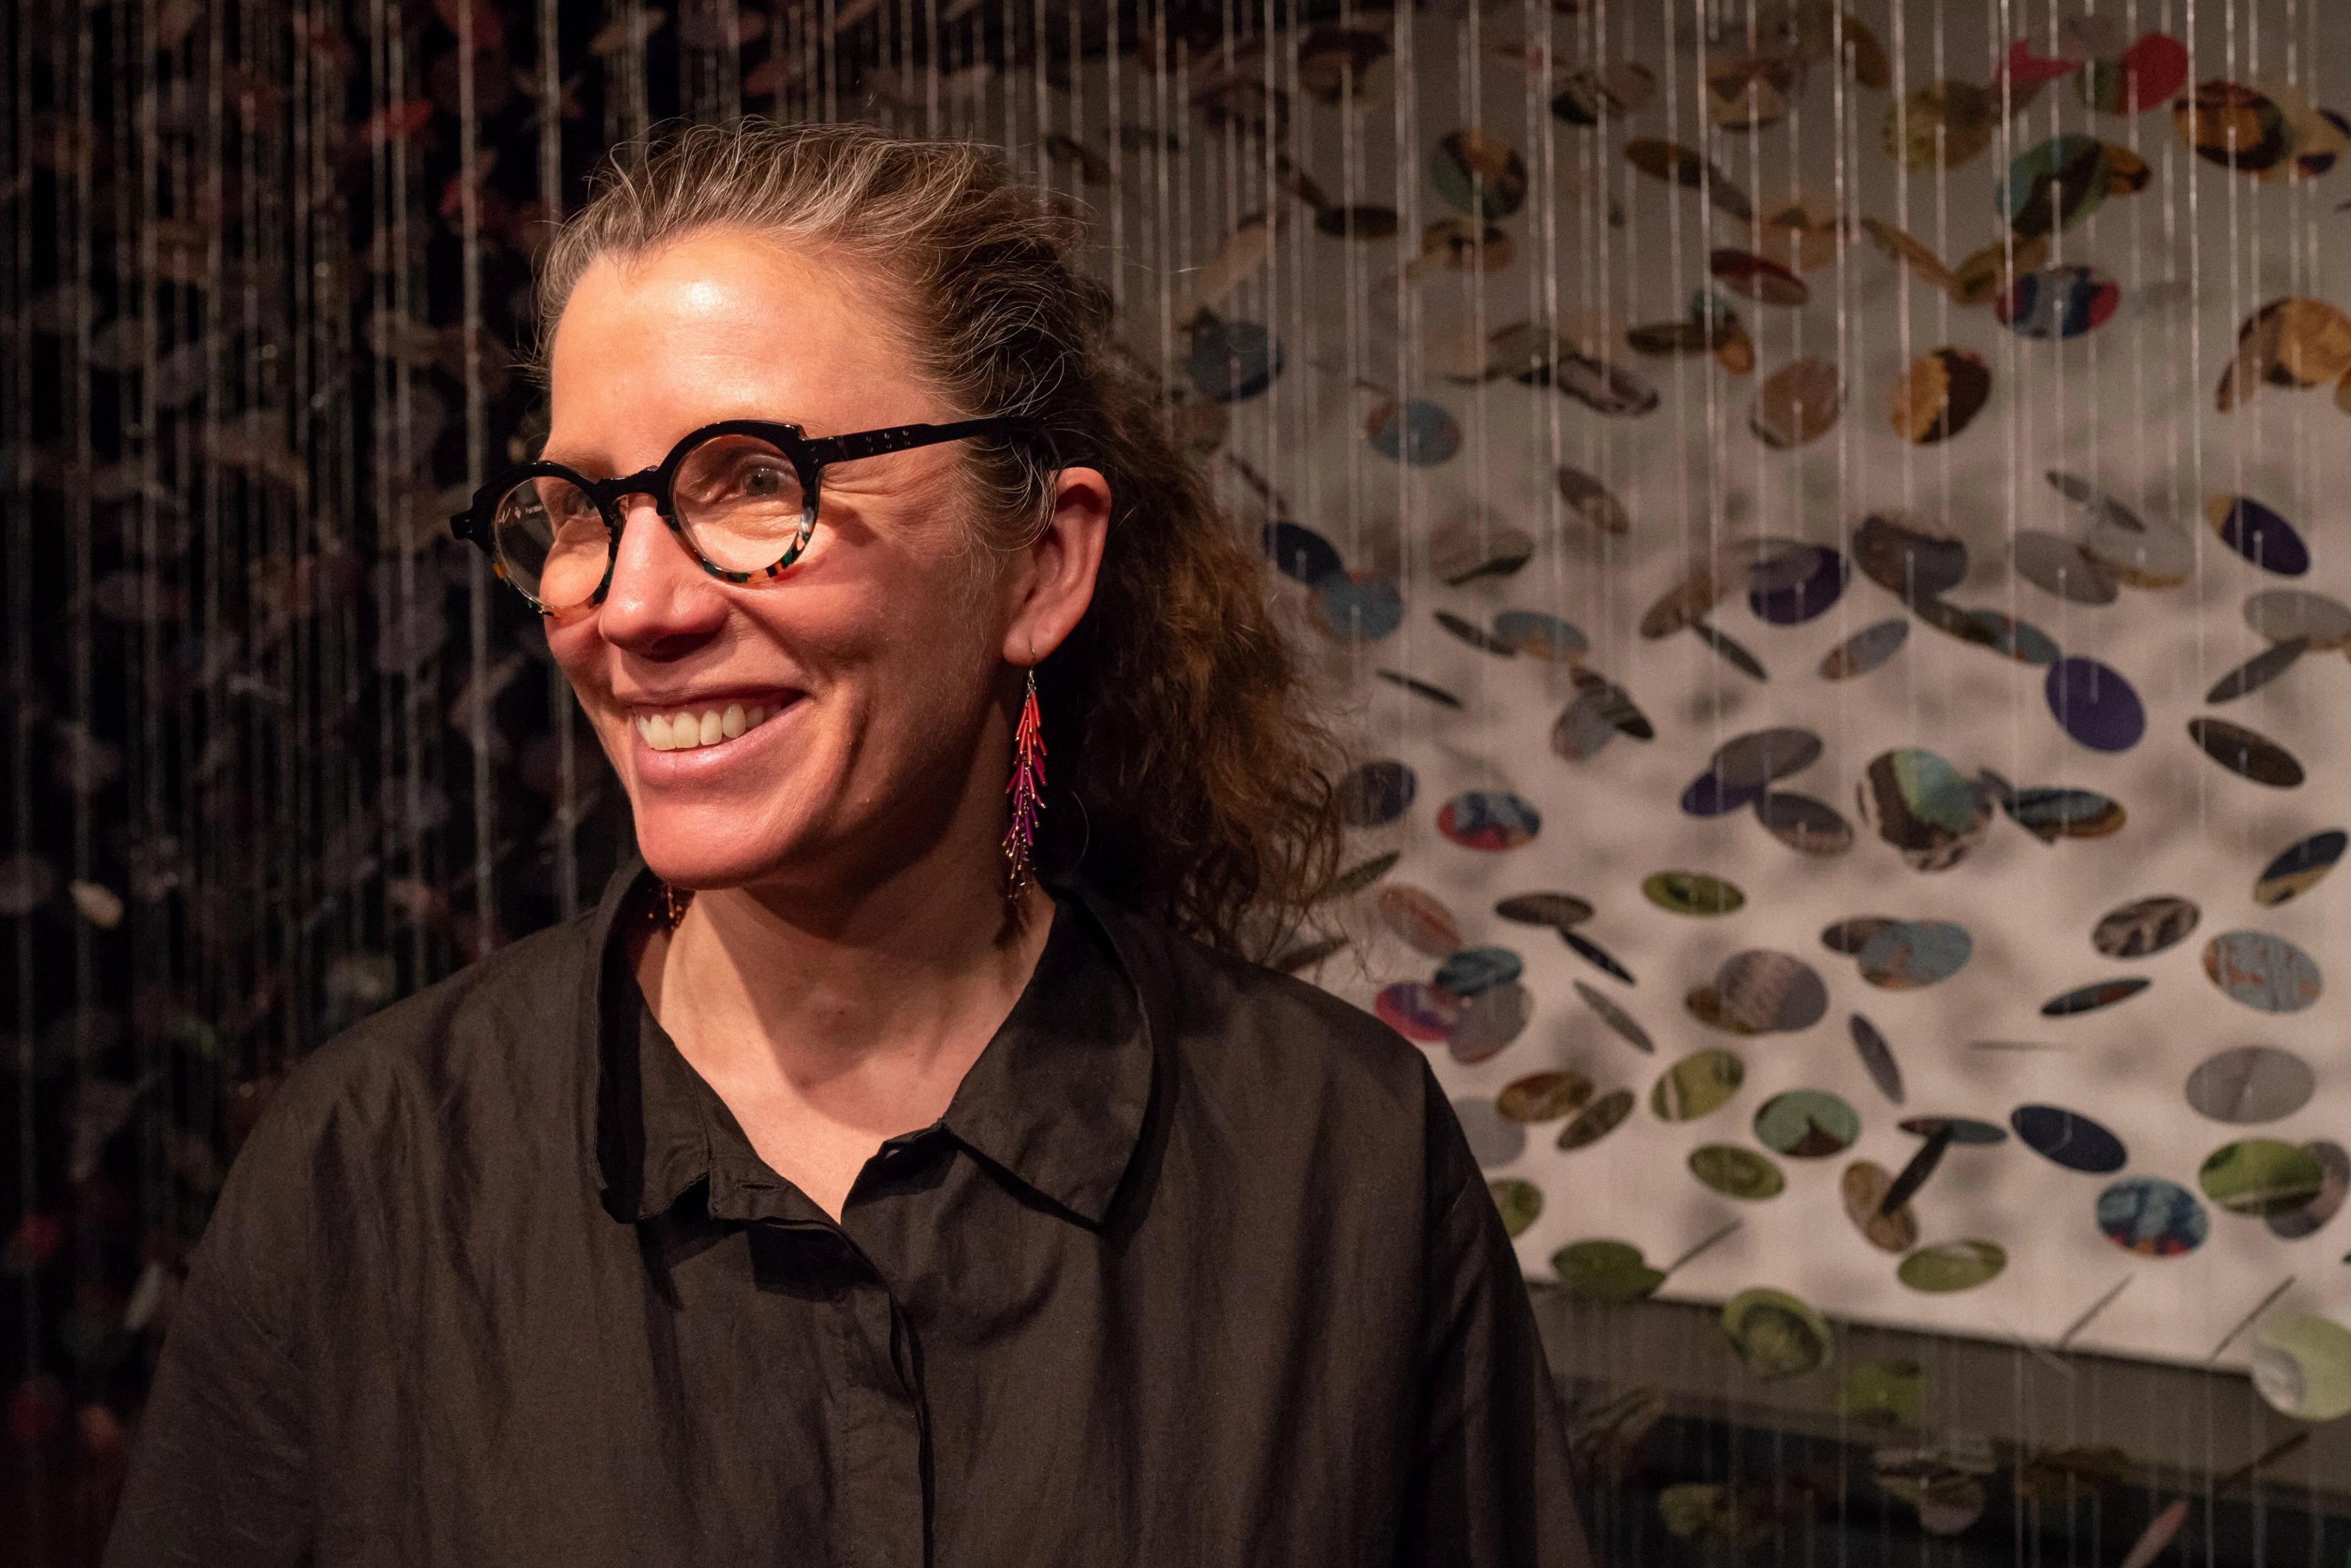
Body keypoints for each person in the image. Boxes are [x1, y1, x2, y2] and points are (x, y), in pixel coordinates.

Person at [105, 120, 1589, 1567]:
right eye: (579, 511)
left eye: (753, 481)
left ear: (1041, 561)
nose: (633, 608)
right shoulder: (371, 1167)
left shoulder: (1335, 1158)